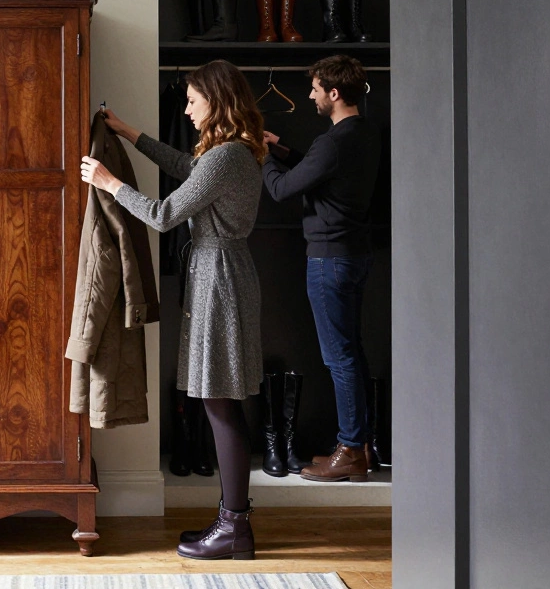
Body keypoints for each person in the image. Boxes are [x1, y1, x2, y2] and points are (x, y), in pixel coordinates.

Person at [80, 59, 266, 560]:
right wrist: (128, 131)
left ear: (216, 100)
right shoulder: (230, 153)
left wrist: (109, 182)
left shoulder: (226, 156)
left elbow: (163, 216)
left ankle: (234, 529)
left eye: (192, 100)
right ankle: (233, 523)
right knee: (220, 402)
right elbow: (185, 167)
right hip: (223, 274)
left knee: (219, 403)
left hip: (219, 280)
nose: (186, 109)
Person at [260, 54, 381, 482]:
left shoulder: (331, 142)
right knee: (352, 352)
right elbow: (322, 175)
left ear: (333, 93)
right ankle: (361, 448)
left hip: (329, 259)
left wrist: (263, 157)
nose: (309, 95)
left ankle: (349, 450)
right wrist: (283, 150)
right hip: (355, 255)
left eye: (314, 89)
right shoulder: (362, 134)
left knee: (339, 358)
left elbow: (280, 190)